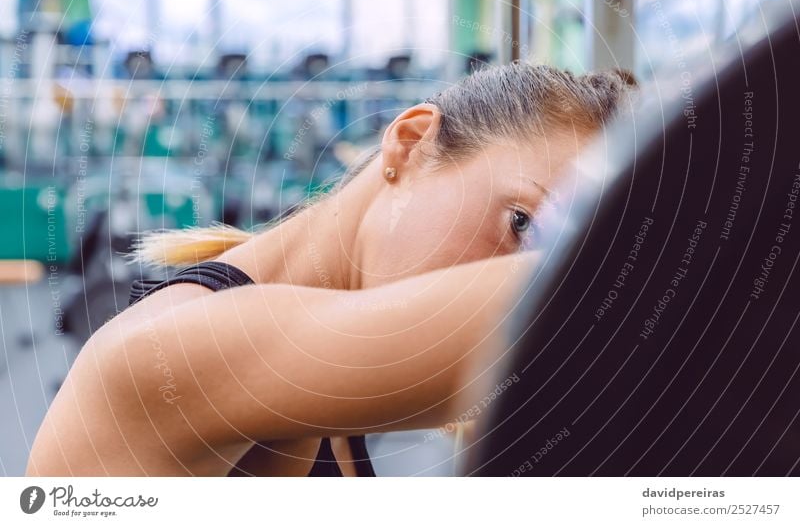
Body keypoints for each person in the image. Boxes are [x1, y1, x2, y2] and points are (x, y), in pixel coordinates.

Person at [27, 63, 635, 477]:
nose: (473, 288)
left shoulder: (324, 386)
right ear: (411, 142)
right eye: (523, 224)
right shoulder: (177, 351)